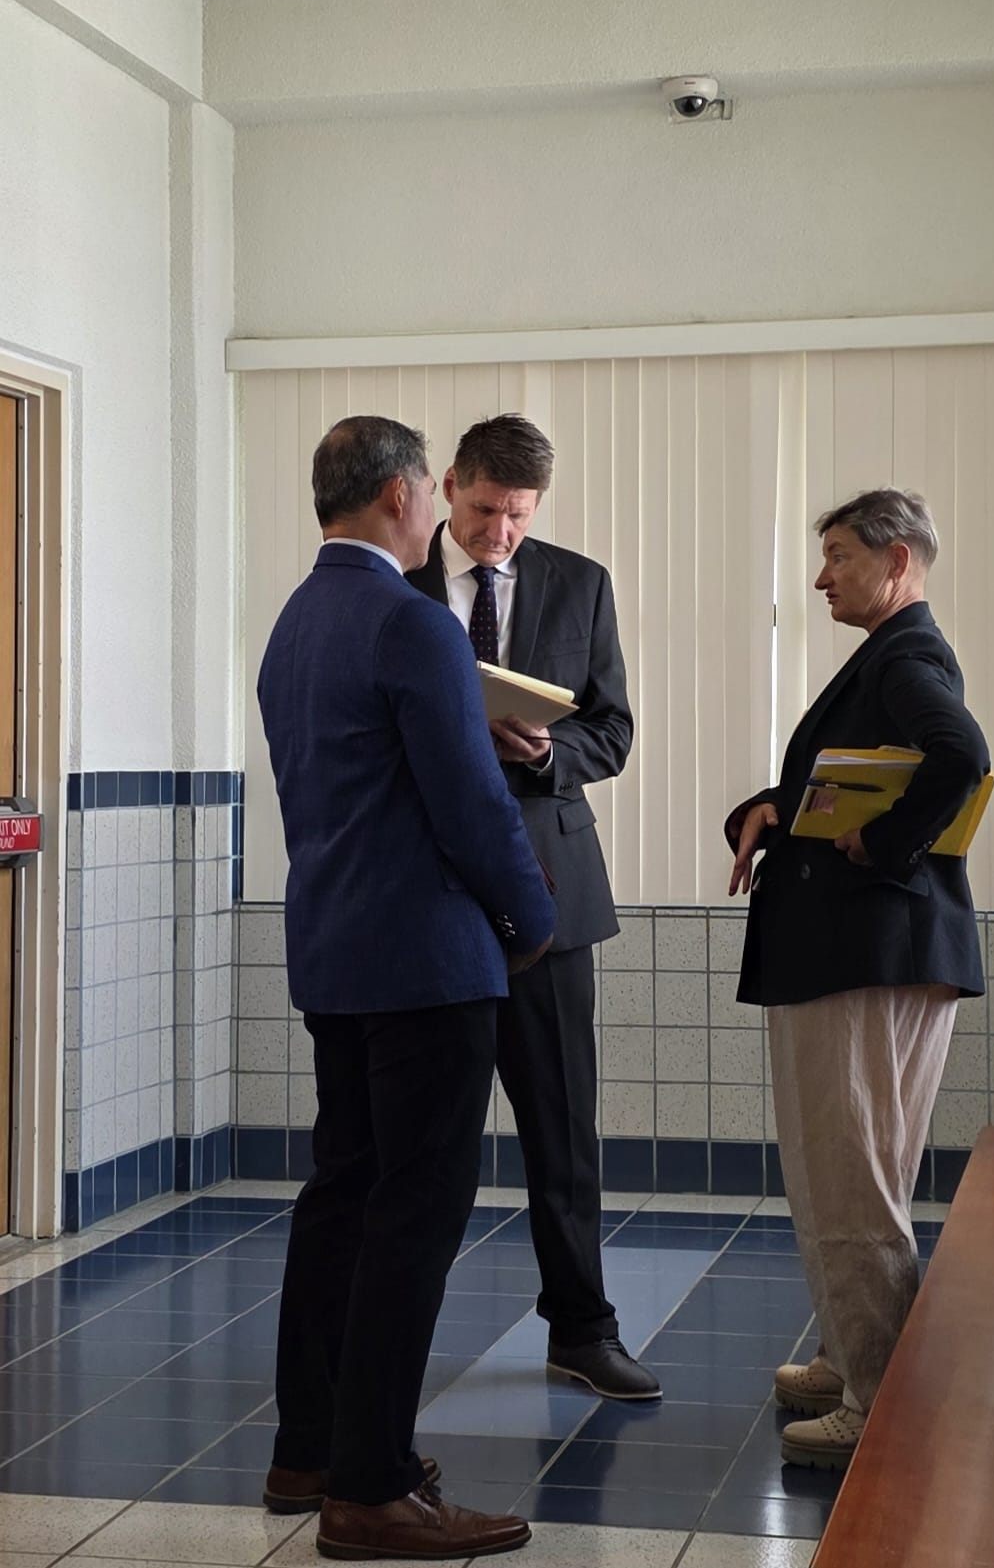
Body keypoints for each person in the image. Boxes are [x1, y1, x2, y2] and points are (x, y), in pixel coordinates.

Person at [257, 415, 555, 1561]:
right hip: (428, 964)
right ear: (395, 493)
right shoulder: (410, 620)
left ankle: (310, 1446)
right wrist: (529, 917)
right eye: (432, 488)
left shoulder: (295, 621)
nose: (439, 507)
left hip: (334, 951)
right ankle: (371, 1487)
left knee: (341, 1196)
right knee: (410, 1221)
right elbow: (469, 803)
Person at [726, 488, 990, 1471]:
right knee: (851, 1168)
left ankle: (874, 1399)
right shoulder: (890, 656)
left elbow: (960, 757)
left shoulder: (908, 654)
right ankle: (850, 1354)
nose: (820, 575)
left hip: (860, 958)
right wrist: (772, 806)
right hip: (871, 955)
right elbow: (861, 774)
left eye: (837, 554)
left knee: (849, 1178)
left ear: (896, 560)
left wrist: (879, 849)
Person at [405, 412, 660, 1401]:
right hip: (431, 898)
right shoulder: (399, 588)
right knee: (429, 1136)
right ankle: (397, 1339)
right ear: (452, 484)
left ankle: (582, 1330)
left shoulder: (579, 582)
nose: (499, 532)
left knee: (562, 1128)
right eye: (482, 510)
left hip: (552, 896)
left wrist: (554, 756)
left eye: (518, 515)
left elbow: (615, 731)